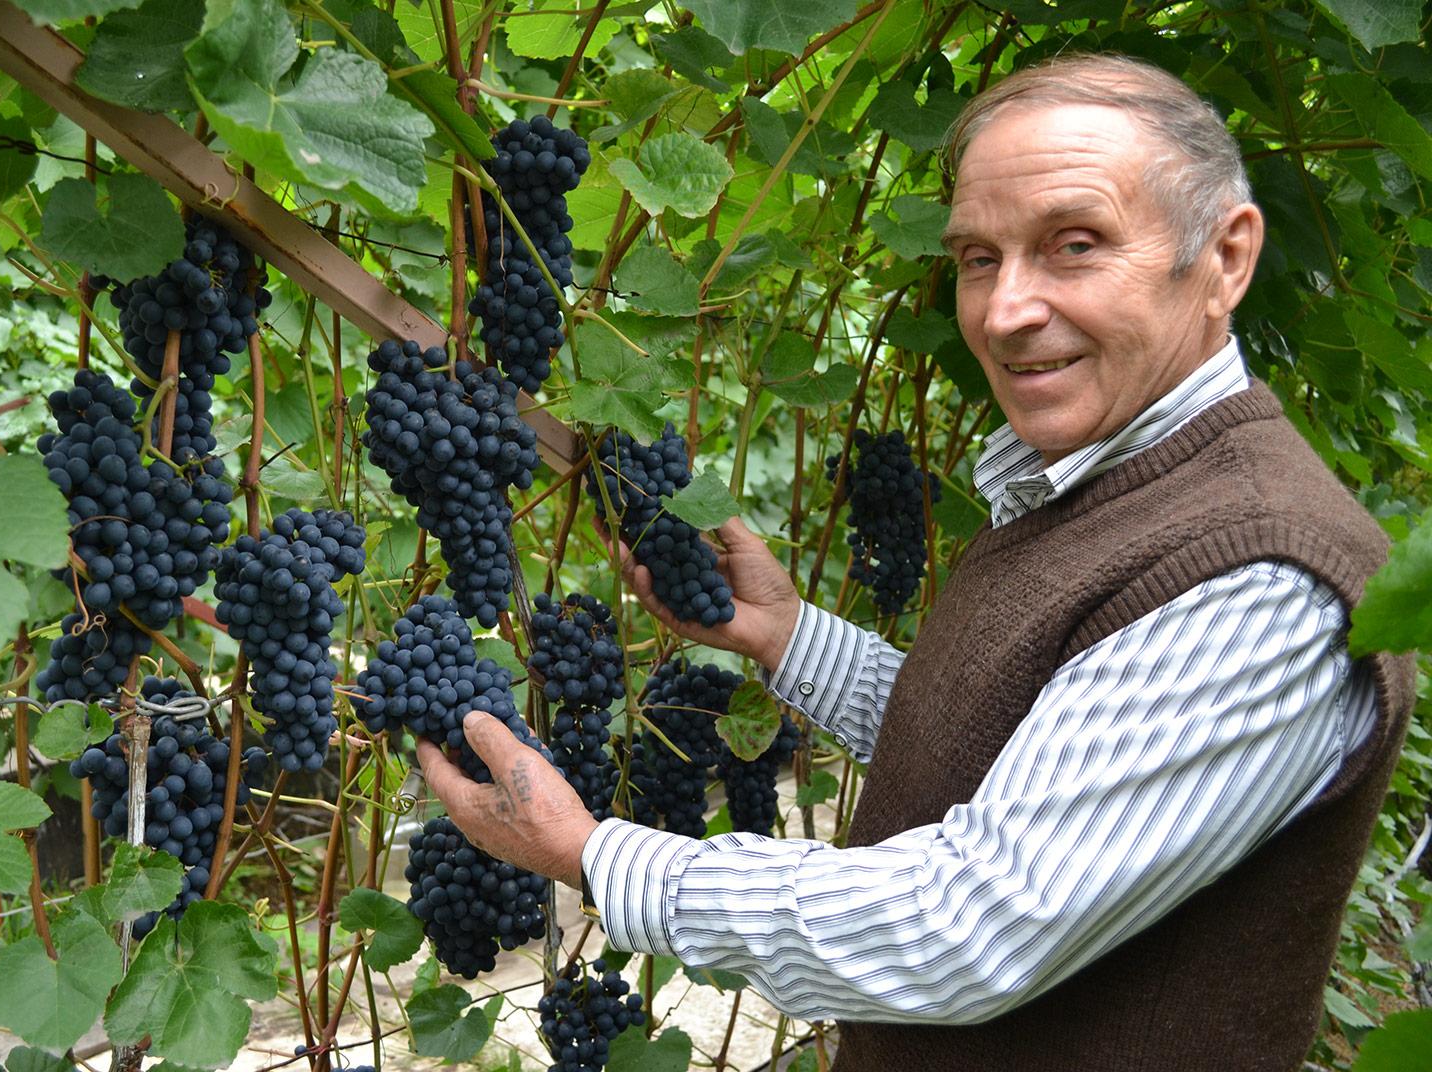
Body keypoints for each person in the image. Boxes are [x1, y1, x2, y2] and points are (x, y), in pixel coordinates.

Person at [419, 54, 1416, 1070]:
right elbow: (1031, 748)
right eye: (978, 257)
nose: (1003, 309)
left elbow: (970, 925)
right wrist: (790, 636)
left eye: (1073, 245)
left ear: (1226, 255)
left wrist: (595, 855)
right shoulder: (1094, 478)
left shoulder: (1261, 576)